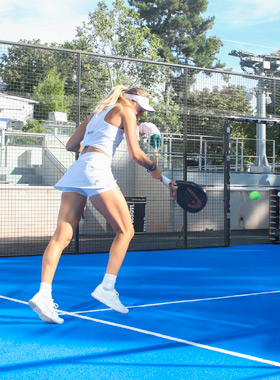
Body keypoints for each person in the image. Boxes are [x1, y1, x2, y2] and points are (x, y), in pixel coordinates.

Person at [28, 86, 174, 324]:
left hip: (79, 168)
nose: (140, 114)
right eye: (140, 109)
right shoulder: (125, 109)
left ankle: (44, 293)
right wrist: (153, 168)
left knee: (61, 236)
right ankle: (107, 287)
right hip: (96, 168)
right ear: (131, 101)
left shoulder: (96, 113)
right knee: (126, 230)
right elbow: (136, 154)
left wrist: (95, 146)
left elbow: (70, 145)